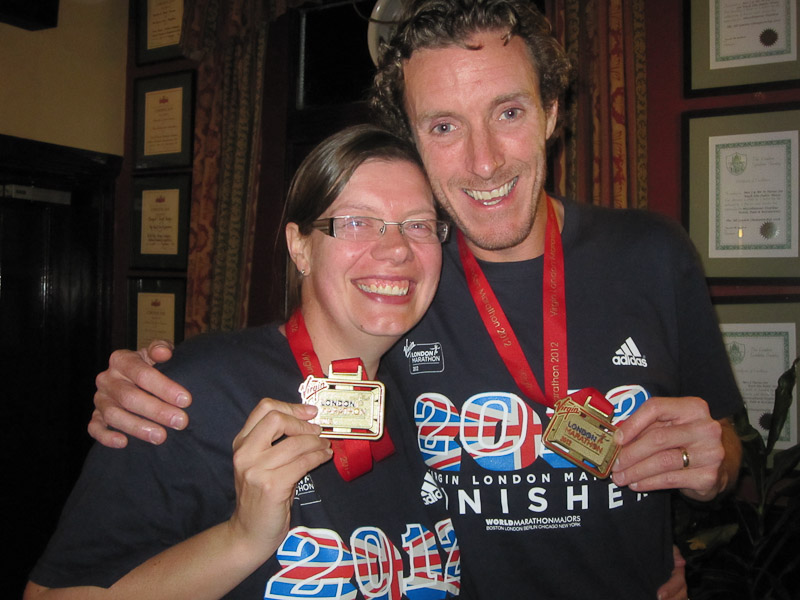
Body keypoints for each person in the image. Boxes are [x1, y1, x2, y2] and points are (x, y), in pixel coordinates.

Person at [87, 1, 743, 598]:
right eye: (444, 126)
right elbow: (284, 358)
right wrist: (157, 390)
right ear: (412, 139)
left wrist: (714, 461)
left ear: (550, 112)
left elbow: (730, 441)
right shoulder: (399, 279)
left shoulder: (653, 254)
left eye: (508, 112)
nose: (484, 162)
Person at [25, 125, 464, 599]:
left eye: (418, 225)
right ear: (300, 247)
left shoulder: (434, 396)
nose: (397, 249)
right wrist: (241, 539)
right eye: (356, 222)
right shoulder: (189, 394)